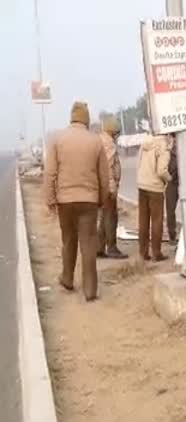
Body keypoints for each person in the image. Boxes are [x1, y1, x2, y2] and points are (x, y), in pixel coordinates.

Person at [43, 101, 110, 301]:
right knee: (88, 244)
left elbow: (50, 173)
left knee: (68, 240)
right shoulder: (96, 141)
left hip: (65, 201)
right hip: (88, 201)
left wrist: (50, 199)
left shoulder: (58, 139)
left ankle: (67, 278)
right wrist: (101, 200)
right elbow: (104, 178)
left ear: (71, 117)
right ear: (87, 119)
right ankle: (90, 290)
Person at [136, 133, 172, 261]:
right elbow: (161, 170)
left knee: (143, 220)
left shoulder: (145, 143)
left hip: (142, 185)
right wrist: (169, 179)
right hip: (155, 187)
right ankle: (157, 253)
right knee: (157, 221)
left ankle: (143, 252)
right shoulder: (163, 147)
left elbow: (138, 163)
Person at [96, 116, 128, 259]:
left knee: (103, 218)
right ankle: (112, 248)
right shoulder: (108, 144)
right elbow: (108, 168)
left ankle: (99, 247)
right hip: (107, 187)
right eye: (117, 132)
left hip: (101, 186)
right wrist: (112, 188)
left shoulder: (99, 140)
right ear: (113, 131)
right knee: (111, 217)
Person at [165, 135, 179, 244]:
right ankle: (172, 236)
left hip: (182, 182)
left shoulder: (182, 148)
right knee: (170, 210)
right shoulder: (166, 150)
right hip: (171, 183)